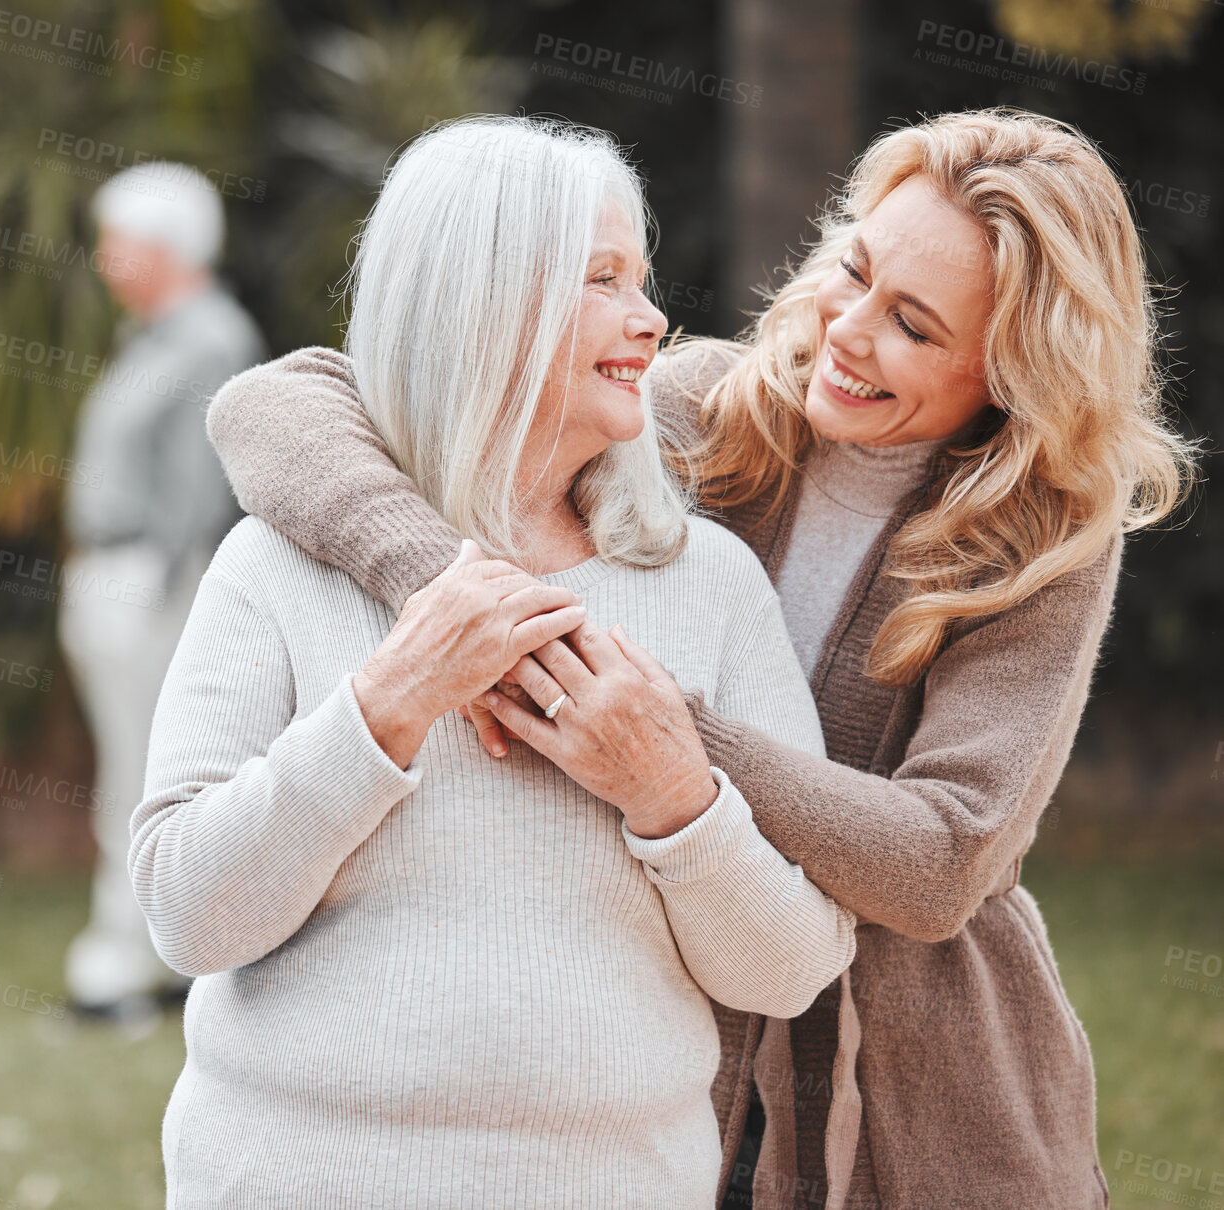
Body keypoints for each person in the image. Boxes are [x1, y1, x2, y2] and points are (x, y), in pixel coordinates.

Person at [204, 108, 1198, 1209]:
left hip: (920, 1066)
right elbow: (273, 403)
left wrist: (660, 733)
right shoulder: (689, 411)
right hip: (689, 1044)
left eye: (912, 327)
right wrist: (456, 601)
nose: (845, 331)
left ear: (1012, 369)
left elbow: (939, 860)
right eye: (853, 269)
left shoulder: (1045, 538)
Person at [134, 116, 855, 1207]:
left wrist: (670, 796)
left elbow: (790, 967)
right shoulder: (274, 564)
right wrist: (391, 698)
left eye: (642, 279)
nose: (650, 319)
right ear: (476, 298)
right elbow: (187, 914)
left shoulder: (705, 582)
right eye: (601, 278)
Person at [60, 160, 266, 1024]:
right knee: (125, 765)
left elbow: (200, 488)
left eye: (118, 243)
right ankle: (135, 953)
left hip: (155, 580)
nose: (105, 260)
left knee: (146, 772)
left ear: (165, 248)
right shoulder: (148, 338)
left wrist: (164, 590)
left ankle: (136, 962)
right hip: (114, 572)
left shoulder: (208, 339)